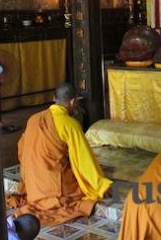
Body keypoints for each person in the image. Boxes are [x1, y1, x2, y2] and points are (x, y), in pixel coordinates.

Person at [6, 82, 113, 225]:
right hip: (53, 189)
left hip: (32, 184)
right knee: (80, 188)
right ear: (73, 102)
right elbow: (84, 161)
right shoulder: (69, 124)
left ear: (53, 98)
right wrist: (101, 185)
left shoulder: (33, 119)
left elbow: (22, 149)